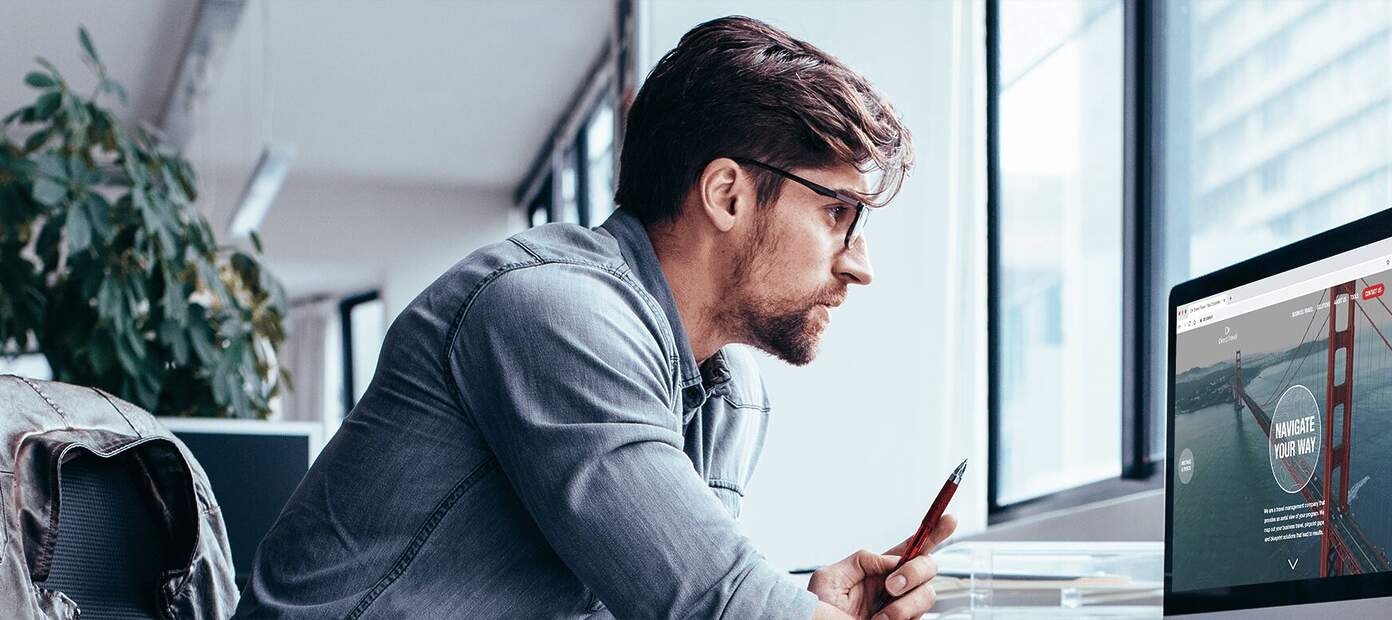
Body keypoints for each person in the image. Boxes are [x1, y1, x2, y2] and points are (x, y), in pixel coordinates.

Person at [234, 15, 955, 620]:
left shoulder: (727, 394)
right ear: (728, 194)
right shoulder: (555, 313)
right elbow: (710, 602)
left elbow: (676, 595)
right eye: (837, 212)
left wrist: (805, 603)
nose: (860, 264)